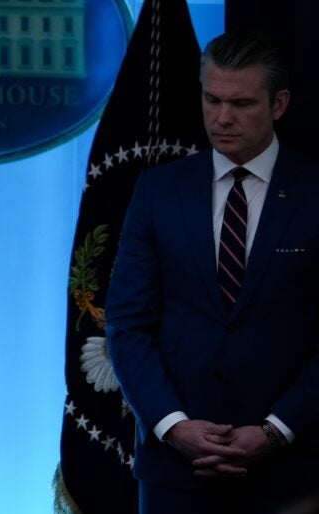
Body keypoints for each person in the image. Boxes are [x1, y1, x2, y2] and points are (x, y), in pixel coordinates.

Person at [106, 30, 319, 514]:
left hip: (292, 473)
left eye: (242, 103)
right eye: (211, 99)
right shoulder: (157, 192)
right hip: (175, 473)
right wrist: (173, 425)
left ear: (279, 103)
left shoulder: (313, 194)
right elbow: (126, 324)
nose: (222, 118)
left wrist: (275, 430)